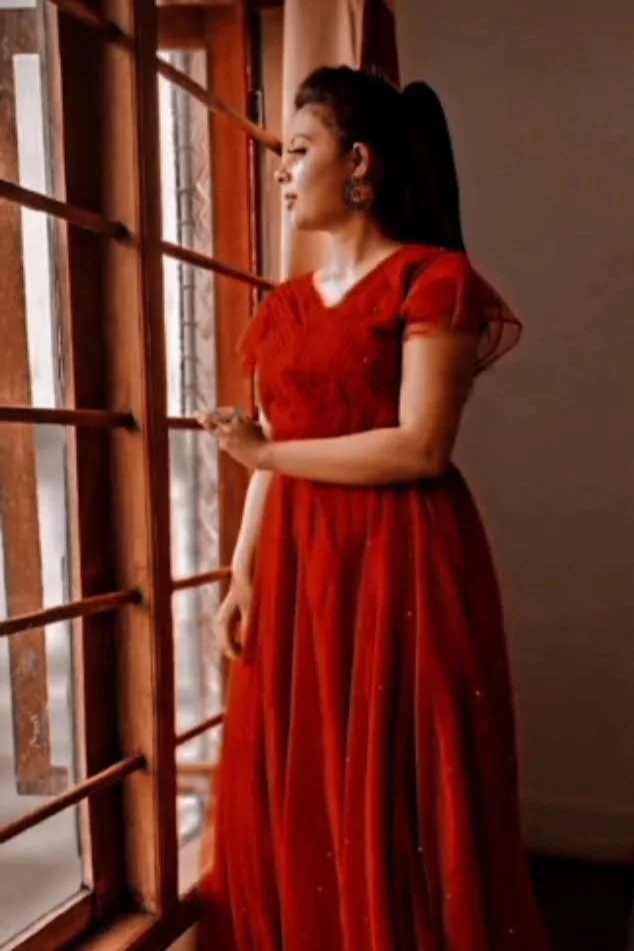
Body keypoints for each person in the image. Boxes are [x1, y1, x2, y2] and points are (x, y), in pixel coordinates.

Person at [197, 66, 550, 951]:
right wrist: (241, 571)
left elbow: (421, 445)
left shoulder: (435, 281)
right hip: (298, 566)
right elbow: (272, 447)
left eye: (297, 150)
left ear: (359, 162)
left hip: (402, 556)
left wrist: (267, 452)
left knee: (401, 782)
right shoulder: (282, 308)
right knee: (308, 773)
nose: (282, 171)